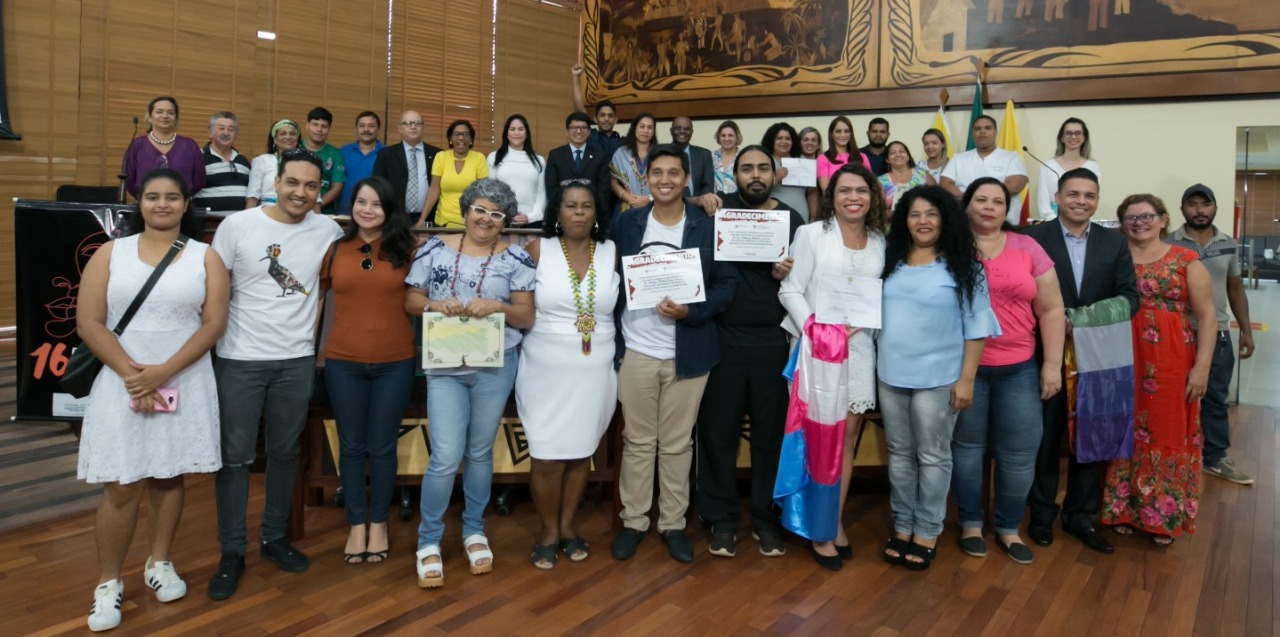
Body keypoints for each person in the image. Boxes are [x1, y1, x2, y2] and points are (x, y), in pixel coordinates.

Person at [76, 168, 229, 631]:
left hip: (182, 379)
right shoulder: (110, 253)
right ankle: (108, 582)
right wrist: (133, 375)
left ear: (186, 204)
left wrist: (162, 373)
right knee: (122, 483)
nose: (162, 204)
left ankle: (159, 562)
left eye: (172, 197)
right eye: (152, 196)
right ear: (137, 202)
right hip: (122, 379)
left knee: (167, 475)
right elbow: (90, 323)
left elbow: (212, 324)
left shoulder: (207, 257)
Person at [207, 150, 344, 601]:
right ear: (275, 181)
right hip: (239, 358)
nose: (300, 192)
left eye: (310, 186)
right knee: (235, 457)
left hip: (296, 360)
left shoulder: (328, 230)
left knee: (286, 453)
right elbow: (213, 289)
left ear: (319, 189)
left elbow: (328, 287)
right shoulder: (237, 227)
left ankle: (273, 539)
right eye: (293, 183)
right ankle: (231, 550)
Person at [610, 146, 738, 564]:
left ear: (686, 180)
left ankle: (672, 524)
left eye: (674, 173)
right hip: (638, 350)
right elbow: (613, 281)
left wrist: (691, 311)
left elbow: (725, 286)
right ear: (646, 178)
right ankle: (633, 521)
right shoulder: (627, 223)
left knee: (678, 444)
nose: (665, 180)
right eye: (657, 173)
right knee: (637, 441)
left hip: (689, 351)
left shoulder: (706, 224)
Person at [405, 179, 535, 588]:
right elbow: (410, 299)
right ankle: (429, 541)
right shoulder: (433, 248)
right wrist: (434, 304)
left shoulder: (517, 258)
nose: (486, 219)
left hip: (495, 365)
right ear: (465, 210)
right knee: (445, 454)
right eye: (480, 209)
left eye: (497, 214)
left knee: (479, 452)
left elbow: (525, 317)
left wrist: (498, 305)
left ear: (505, 220)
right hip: (445, 365)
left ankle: (473, 530)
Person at [877, 185, 1000, 571]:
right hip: (891, 375)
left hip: (939, 378)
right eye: (914, 214)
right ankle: (903, 525)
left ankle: (927, 530)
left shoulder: (964, 265)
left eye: (931, 214)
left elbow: (977, 327)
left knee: (932, 455)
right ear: (904, 220)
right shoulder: (889, 261)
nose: (923, 221)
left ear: (945, 218)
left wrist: (965, 380)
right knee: (899, 454)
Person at [697, 146, 806, 559]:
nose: (755, 175)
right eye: (746, 169)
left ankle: (765, 518)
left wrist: (788, 271)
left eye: (762, 168)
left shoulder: (793, 220)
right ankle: (721, 519)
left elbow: (805, 278)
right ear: (735, 175)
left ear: (774, 174)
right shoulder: (717, 215)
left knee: (769, 438)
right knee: (718, 433)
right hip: (722, 339)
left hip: (772, 342)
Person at [777, 162, 887, 569]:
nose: (853, 197)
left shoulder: (880, 240)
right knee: (816, 437)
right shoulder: (810, 234)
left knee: (846, 439)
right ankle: (814, 527)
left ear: (872, 196)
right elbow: (790, 289)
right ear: (832, 196)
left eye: (861, 190)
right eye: (844, 191)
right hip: (814, 349)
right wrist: (814, 329)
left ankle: (832, 521)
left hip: (858, 351)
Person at [1024, 168, 1139, 555]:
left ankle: (1079, 516)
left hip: (1098, 358)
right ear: (1057, 197)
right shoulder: (1031, 238)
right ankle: (1041, 514)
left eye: (1089, 195)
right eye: (1073, 193)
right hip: (1044, 355)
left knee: (1091, 439)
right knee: (1045, 437)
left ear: (1097, 199)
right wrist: (1054, 324)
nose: (1081, 201)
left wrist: (1076, 319)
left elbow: (1130, 298)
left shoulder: (1114, 243)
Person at [952, 178, 1065, 565]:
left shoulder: (1028, 247)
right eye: (980, 199)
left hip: (1018, 368)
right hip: (964, 368)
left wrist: (1051, 364)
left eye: (997, 201)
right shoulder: (950, 245)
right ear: (966, 205)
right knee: (966, 452)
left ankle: (1008, 527)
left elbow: (1051, 309)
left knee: (1019, 454)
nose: (988, 206)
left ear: (1007, 208)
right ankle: (969, 523)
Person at [516, 183, 620, 569]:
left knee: (580, 453)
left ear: (596, 213)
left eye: (586, 206)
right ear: (556, 212)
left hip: (595, 370)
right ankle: (546, 531)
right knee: (545, 457)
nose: (578, 213)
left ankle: (567, 526)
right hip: (544, 369)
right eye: (570, 206)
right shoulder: (537, 250)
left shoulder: (611, 252)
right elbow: (519, 305)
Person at [1102, 194, 1215, 545]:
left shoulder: (1186, 260)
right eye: (1130, 217)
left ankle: (1161, 515)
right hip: (1122, 356)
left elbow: (1208, 316)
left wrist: (1201, 369)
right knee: (1123, 428)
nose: (1139, 222)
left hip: (1170, 360)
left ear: (1163, 220)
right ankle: (1121, 509)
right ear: (1122, 224)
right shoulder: (1114, 258)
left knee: (1165, 430)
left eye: (1147, 215)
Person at [319, 176, 416, 565]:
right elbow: (316, 306)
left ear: (389, 209)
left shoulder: (407, 249)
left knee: (382, 446)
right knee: (352, 446)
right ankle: (356, 523)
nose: (367, 210)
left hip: (395, 361)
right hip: (343, 361)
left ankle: (380, 522)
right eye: (361, 202)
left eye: (376, 204)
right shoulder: (334, 250)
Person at [1167, 184, 1256, 484]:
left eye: (1205, 204)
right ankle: (1171, 457)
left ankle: (1215, 458)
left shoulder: (1228, 243)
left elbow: (1235, 288)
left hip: (1217, 333)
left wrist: (1245, 329)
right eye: (1192, 204)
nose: (1199, 210)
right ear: (1182, 209)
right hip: (1175, 333)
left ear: (1215, 208)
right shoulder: (1167, 242)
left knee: (1216, 398)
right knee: (1171, 398)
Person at [940, 116, 1029, 224]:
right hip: (965, 220)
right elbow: (945, 183)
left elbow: (1015, 185)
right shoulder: (958, 158)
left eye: (987, 128)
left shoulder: (1011, 157)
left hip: (1003, 222)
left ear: (995, 132)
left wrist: (979, 199)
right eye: (978, 129)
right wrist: (970, 201)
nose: (982, 132)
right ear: (972, 133)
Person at [123, 97, 205, 200]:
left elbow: (199, 179)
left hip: (181, 208)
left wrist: (180, 198)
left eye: (170, 113)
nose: (165, 116)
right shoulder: (137, 145)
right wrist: (148, 199)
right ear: (149, 116)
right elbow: (129, 179)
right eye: (159, 112)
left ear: (176, 118)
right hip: (146, 207)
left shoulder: (190, 146)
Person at [545, 112, 612, 229]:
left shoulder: (600, 156)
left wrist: (592, 211)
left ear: (589, 132)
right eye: (574, 128)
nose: (579, 131)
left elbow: (604, 190)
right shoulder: (556, 155)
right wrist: (563, 211)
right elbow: (551, 189)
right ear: (567, 131)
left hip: (591, 217)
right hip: (562, 216)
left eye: (583, 128)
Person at [418, 119, 488, 228]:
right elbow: (434, 190)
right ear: (450, 139)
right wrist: (422, 220)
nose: (461, 138)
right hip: (443, 223)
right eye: (456, 134)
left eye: (465, 134)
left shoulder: (479, 158)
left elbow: (482, 193)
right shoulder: (441, 157)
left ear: (471, 140)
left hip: (470, 224)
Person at [371, 110, 440, 220]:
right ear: (400, 129)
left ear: (423, 127)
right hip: (395, 218)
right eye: (408, 123)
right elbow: (378, 186)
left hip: (429, 218)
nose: (413, 127)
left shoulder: (438, 154)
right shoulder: (386, 154)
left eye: (418, 123)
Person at [1035, 118, 1101, 221]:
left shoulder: (1092, 166)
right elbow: (1043, 202)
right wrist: (1054, 223)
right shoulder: (1048, 165)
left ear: (1084, 138)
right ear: (1061, 137)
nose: (1073, 137)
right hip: (1052, 222)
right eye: (1069, 133)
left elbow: (1092, 198)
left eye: (1078, 133)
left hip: (1082, 222)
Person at [487, 114, 548, 227]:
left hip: (532, 222)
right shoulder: (494, 157)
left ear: (526, 133)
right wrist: (506, 215)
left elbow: (541, 194)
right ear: (506, 133)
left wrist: (530, 217)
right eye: (512, 129)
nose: (516, 133)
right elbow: (491, 192)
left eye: (520, 129)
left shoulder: (538, 160)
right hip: (501, 220)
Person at [192, 111, 252, 213]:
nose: (226, 133)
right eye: (221, 128)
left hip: (239, 224)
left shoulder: (243, 161)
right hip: (207, 224)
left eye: (231, 129)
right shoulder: (197, 159)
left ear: (236, 134)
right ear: (210, 132)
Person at [762, 121, 817, 218]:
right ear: (771, 140)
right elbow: (756, 192)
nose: (784, 142)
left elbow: (811, 193)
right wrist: (775, 179)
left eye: (788, 138)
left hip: (800, 214)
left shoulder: (802, 161)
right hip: (772, 216)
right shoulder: (763, 160)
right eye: (779, 138)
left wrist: (813, 217)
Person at [301, 107, 347, 216]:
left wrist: (315, 205)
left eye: (324, 126)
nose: (319, 130)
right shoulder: (295, 147)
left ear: (329, 129)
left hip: (324, 213)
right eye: (315, 124)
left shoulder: (336, 153)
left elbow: (337, 187)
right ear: (307, 125)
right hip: (295, 208)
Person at [571, 65, 625, 158]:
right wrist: (575, 77)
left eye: (610, 116)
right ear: (595, 119)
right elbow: (579, 110)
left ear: (616, 120)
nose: (606, 119)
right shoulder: (591, 136)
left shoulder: (622, 142)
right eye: (602, 115)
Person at [610, 112, 659, 213]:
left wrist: (649, 199)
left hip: (655, 209)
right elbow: (613, 181)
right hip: (627, 208)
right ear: (634, 128)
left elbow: (667, 184)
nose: (645, 130)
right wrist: (627, 197)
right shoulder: (621, 153)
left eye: (650, 127)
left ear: (653, 131)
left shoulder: (660, 153)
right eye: (642, 126)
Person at [245, 119, 301, 208]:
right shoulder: (261, 161)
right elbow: (252, 195)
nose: (288, 137)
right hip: (267, 211)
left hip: (296, 210)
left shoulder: (305, 164)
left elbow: (315, 199)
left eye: (292, 134)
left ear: (297, 140)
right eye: (283, 133)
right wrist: (247, 220)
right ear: (275, 139)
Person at [669, 116, 719, 212]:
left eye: (687, 129)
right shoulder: (662, 153)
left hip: (698, 210)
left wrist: (700, 203)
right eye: (678, 128)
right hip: (669, 208)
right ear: (671, 131)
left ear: (692, 132)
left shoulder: (704, 154)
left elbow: (708, 185)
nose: (682, 131)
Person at [338, 111, 384, 215]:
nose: (366, 129)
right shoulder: (343, 151)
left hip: (372, 213)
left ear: (378, 129)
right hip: (344, 213)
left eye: (371, 126)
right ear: (357, 129)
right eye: (362, 126)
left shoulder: (387, 153)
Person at [816, 116, 871, 193]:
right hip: (834, 203)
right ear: (831, 134)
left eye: (846, 131)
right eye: (838, 131)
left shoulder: (862, 157)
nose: (843, 135)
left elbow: (870, 184)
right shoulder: (823, 158)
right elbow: (825, 189)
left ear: (851, 134)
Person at [877, 141, 930, 213]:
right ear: (887, 160)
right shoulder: (880, 181)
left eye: (901, 151)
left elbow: (938, 198)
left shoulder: (923, 173)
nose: (898, 154)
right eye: (893, 153)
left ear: (908, 156)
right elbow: (878, 212)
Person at [711, 120, 742, 194]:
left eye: (730, 135)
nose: (726, 139)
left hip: (737, 202)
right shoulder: (710, 156)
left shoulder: (744, 157)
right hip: (715, 203)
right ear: (718, 137)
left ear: (737, 137)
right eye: (723, 135)